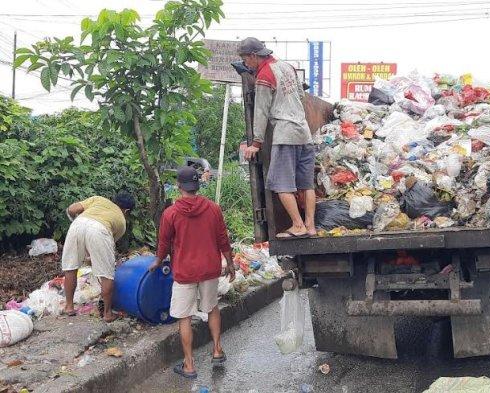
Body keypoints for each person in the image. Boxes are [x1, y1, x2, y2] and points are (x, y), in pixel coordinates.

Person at [149, 166, 236, 379]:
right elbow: (222, 238)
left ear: (179, 186)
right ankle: (216, 349)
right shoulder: (213, 208)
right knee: (212, 308)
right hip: (209, 268)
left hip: (185, 272)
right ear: (197, 185)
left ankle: (189, 365)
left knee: (185, 317)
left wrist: (158, 261)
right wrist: (230, 262)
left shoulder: (170, 213)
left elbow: (164, 243)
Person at [240, 37, 317, 239]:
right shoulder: (288, 67)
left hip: (285, 135)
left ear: (254, 56)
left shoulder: (265, 75)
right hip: (304, 134)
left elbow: (261, 111)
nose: (246, 64)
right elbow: (301, 96)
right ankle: (310, 226)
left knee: (281, 184)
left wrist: (256, 143)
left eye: (246, 59)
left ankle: (298, 225)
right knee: (306, 184)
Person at [61, 192, 135, 322]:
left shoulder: (98, 199)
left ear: (114, 200)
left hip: (77, 224)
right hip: (100, 230)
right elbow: (106, 245)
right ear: (127, 210)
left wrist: (74, 218)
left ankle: (69, 306)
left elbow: (72, 209)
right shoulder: (122, 223)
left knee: (70, 268)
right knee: (107, 274)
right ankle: (107, 313)